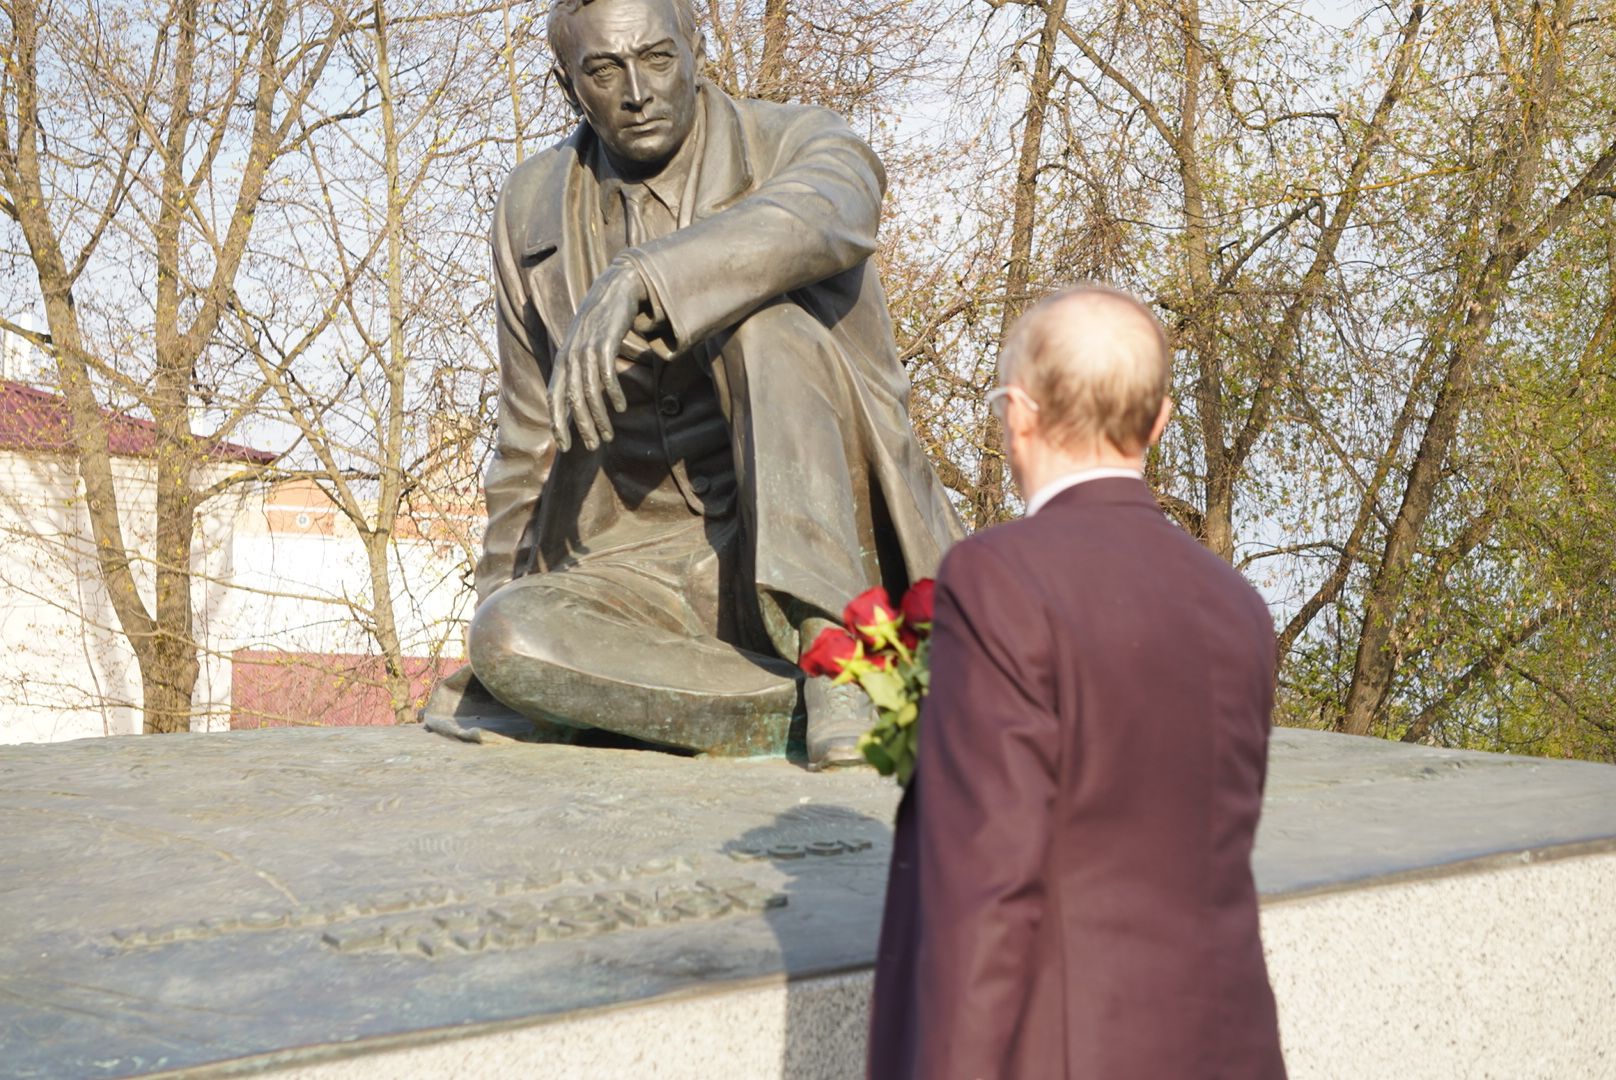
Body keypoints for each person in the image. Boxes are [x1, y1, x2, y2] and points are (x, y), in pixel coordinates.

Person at [448, 0, 961, 763]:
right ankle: (790, 699)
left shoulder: (795, 142)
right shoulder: (531, 208)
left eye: (657, 58)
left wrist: (649, 276)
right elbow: (526, 437)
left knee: (768, 327)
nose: (636, 91)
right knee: (510, 636)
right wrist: (491, 623)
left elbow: (841, 204)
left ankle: (834, 649)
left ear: (697, 50)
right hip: (637, 577)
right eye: (603, 70)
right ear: (568, 85)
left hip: (811, 553)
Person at [867, 286, 1286, 1078]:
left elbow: (985, 892)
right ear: (1158, 423)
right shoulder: (1239, 607)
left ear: (1019, 413)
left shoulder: (997, 582)